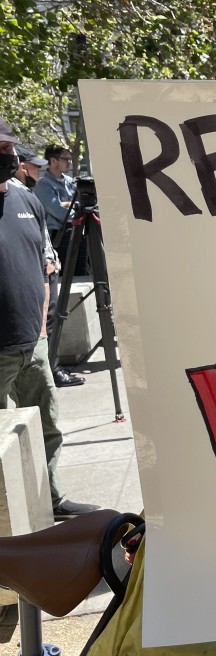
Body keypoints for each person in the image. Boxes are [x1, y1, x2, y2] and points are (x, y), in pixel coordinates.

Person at [0, 118, 98, 519]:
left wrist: (41, 326)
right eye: (0, 149)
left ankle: (50, 499)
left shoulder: (26, 202)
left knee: (47, 429)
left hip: (33, 345)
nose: (9, 156)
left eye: (9, 149)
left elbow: (44, 265)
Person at [13, 146, 85, 388]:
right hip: (41, 265)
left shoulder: (27, 193)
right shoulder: (23, 193)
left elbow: (76, 207)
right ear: (22, 166)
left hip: (48, 263)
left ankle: (51, 370)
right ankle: (50, 371)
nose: (38, 169)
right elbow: (56, 211)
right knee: (47, 320)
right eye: (34, 165)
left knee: (51, 318)